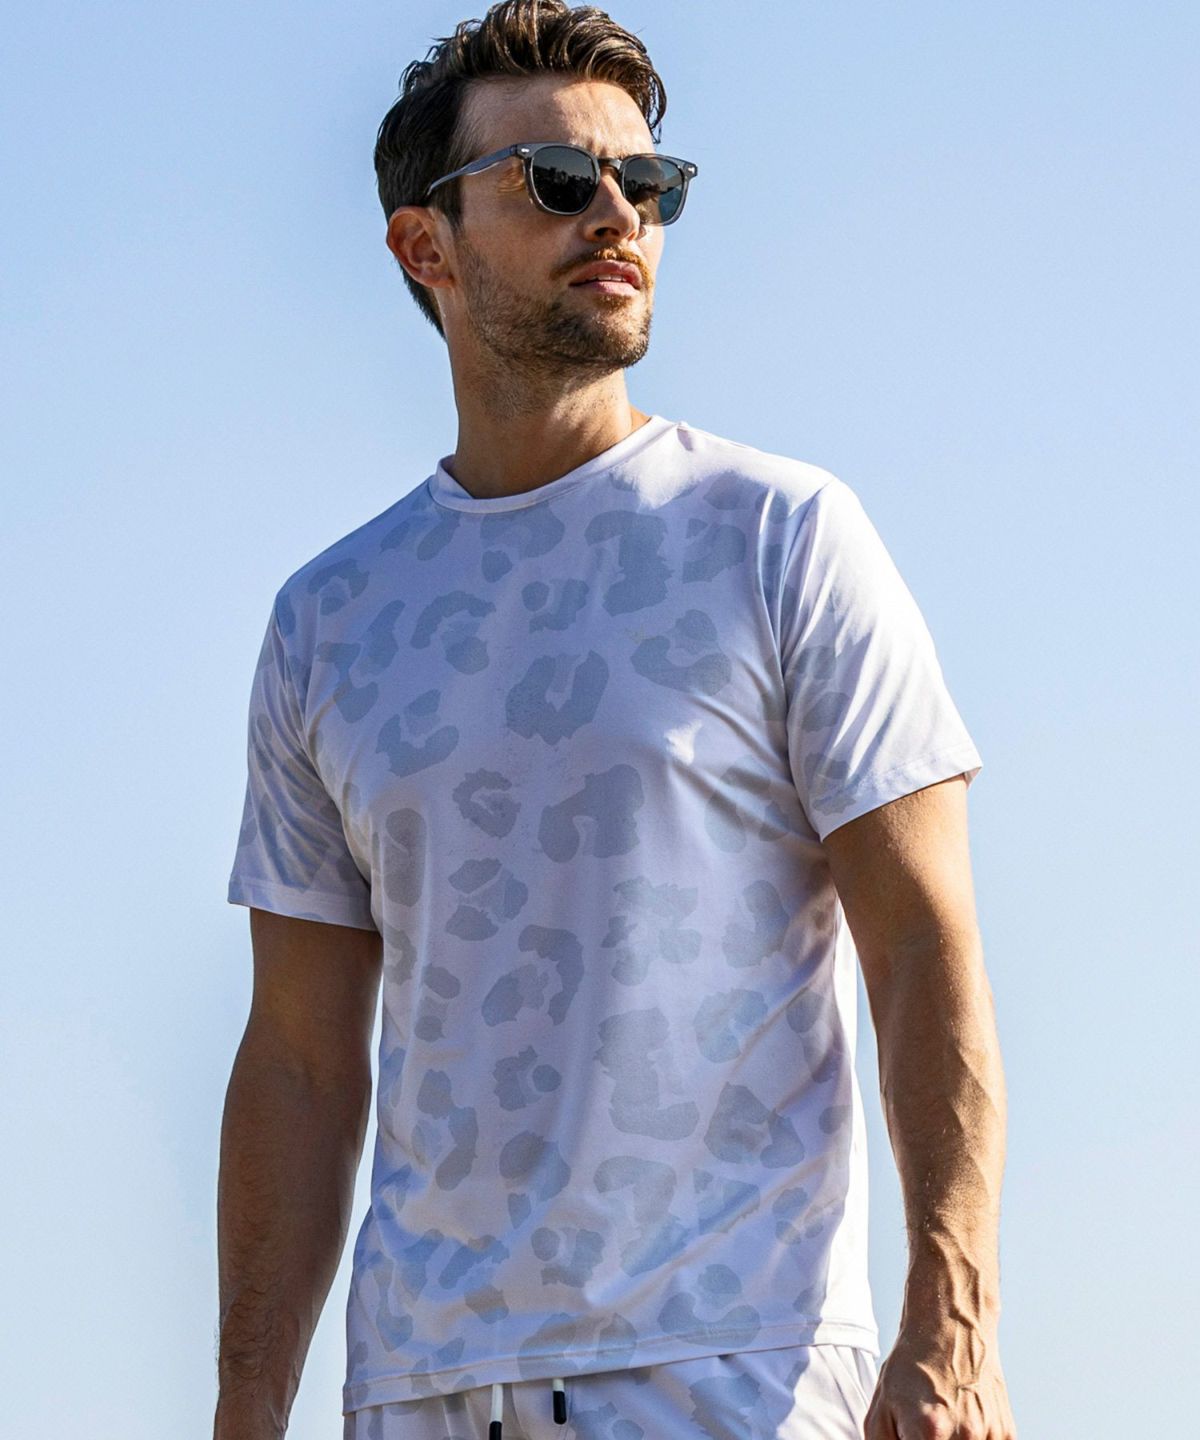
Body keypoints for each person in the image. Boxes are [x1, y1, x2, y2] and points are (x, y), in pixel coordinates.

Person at [213, 4, 1017, 1439]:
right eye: (556, 181)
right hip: (417, 1392)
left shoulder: (781, 536)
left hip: (733, 1372)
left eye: (646, 183)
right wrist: (244, 1407)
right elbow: (297, 1057)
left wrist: (951, 1326)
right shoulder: (329, 618)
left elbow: (922, 943)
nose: (617, 215)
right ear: (425, 246)